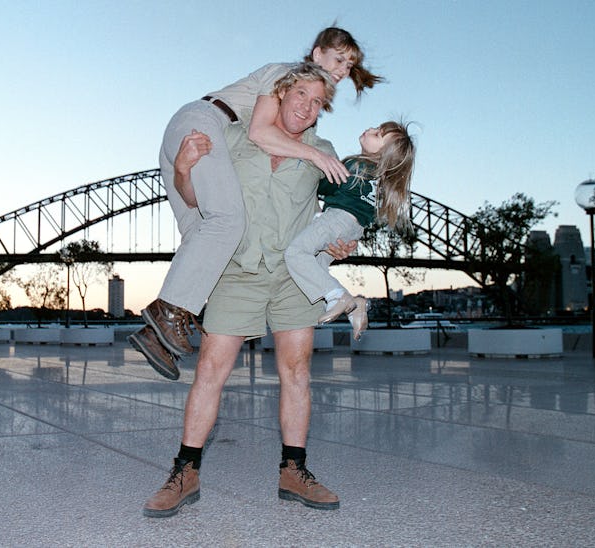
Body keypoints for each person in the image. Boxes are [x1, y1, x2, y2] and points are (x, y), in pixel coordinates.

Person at [143, 63, 353, 518]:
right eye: (301, 95)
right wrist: (182, 170)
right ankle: (184, 472)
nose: (308, 107)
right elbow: (197, 199)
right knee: (211, 371)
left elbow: (345, 214)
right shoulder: (234, 138)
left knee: (296, 371)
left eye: (318, 102)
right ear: (279, 94)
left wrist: (343, 242)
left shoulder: (325, 152)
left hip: (293, 275)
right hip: (238, 271)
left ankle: (294, 471)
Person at [128, 27, 383, 381]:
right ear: (316, 53)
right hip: (205, 123)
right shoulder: (287, 74)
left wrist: (332, 237)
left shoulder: (300, 95)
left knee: (204, 233)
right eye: (338, 59)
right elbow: (260, 133)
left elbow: (196, 200)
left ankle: (155, 336)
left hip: (191, 142)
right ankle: (168, 313)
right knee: (230, 222)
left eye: (349, 65)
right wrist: (314, 155)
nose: (342, 70)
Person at [285, 121, 416, 340]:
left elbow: (326, 186)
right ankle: (354, 306)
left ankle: (337, 296)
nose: (371, 129)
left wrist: (313, 170)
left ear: (384, 153)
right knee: (317, 266)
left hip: (337, 218)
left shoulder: (355, 165)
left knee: (296, 253)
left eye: (378, 134)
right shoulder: (381, 183)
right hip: (353, 230)